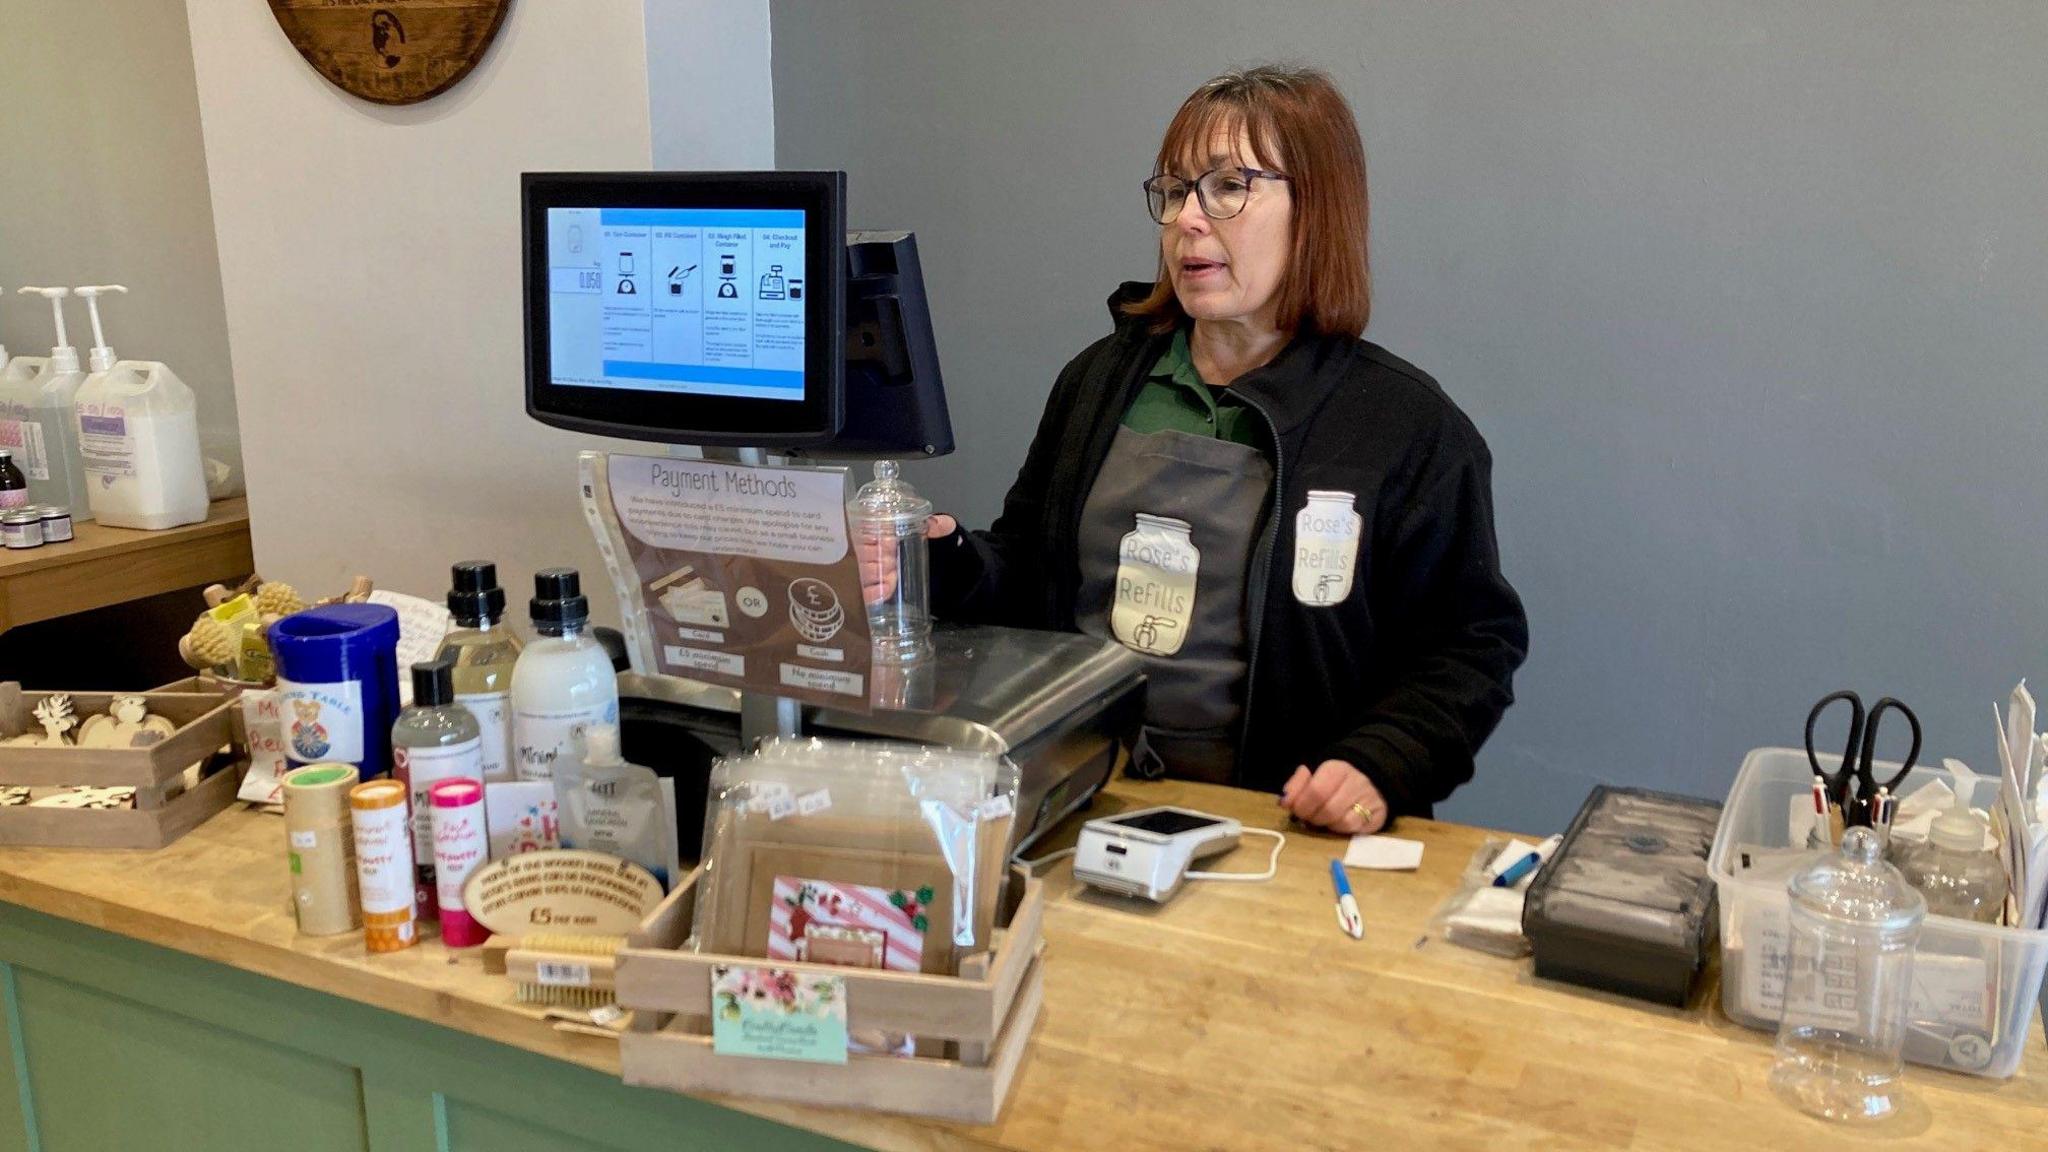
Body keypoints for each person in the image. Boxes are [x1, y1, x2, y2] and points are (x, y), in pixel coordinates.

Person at [922, 66, 1528, 834]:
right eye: (1174, 193)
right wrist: (950, 560)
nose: (1188, 222)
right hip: (1079, 796)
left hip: (1279, 830)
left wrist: (1382, 760)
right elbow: (1030, 571)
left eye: (1229, 187)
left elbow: (1471, 645)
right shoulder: (1100, 382)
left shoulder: (1406, 426)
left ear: (1317, 210)